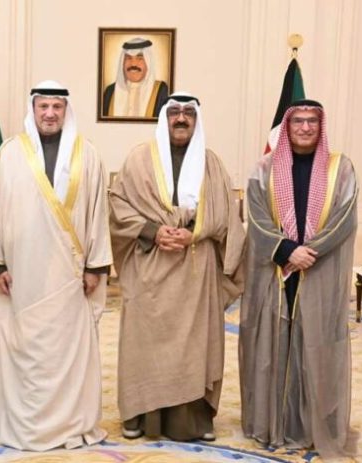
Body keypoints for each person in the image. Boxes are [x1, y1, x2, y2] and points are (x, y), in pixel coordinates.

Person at [0, 80, 112, 451]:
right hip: (21, 273)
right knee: (25, 349)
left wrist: (95, 267)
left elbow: (99, 213)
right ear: (33, 109)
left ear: (66, 110)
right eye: (44, 106)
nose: (50, 113)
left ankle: (69, 421)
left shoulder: (87, 154)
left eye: (57, 106)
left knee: (66, 351)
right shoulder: (9, 153)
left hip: (70, 276)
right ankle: (23, 421)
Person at [109, 92, 245, 441]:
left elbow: (226, 215)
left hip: (196, 269)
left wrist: (194, 233)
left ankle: (193, 420)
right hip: (150, 264)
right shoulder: (139, 159)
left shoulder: (212, 163)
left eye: (188, 113)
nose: (181, 118)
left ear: (196, 119)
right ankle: (140, 415)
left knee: (194, 343)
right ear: (163, 118)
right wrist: (153, 231)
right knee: (144, 341)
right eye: (174, 113)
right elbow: (118, 205)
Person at [238, 99, 358, 459]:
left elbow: (344, 218)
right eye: (298, 122)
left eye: (312, 122)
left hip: (319, 269)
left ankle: (310, 424)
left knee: (317, 345)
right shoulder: (265, 168)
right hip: (275, 271)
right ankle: (270, 423)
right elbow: (256, 216)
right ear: (287, 127)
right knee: (271, 345)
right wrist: (287, 250)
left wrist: (308, 252)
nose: (305, 128)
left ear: (321, 128)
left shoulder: (341, 169)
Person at [102, 37, 169, 118]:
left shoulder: (161, 91)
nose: (133, 64)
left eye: (140, 58)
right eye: (128, 58)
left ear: (148, 62)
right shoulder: (110, 92)